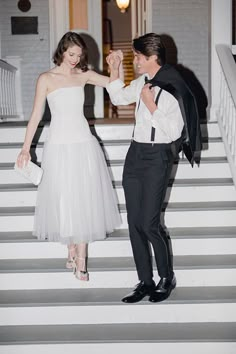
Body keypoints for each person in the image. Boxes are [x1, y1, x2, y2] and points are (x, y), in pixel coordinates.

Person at [16, 31, 121, 281]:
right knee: (64, 200)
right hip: (58, 145)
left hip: (83, 143)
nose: (75, 59)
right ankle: (70, 245)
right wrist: (25, 147)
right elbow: (36, 115)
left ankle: (81, 260)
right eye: (71, 54)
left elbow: (113, 86)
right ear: (62, 50)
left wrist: (115, 67)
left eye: (79, 55)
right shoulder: (46, 78)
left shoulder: (84, 75)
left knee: (83, 198)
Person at [106, 33, 201, 303]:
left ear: (152, 58)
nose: (134, 60)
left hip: (158, 156)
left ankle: (166, 277)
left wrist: (151, 106)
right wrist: (114, 71)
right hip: (135, 154)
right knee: (135, 223)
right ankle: (145, 281)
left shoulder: (174, 87)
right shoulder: (142, 81)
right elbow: (119, 99)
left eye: (137, 56)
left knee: (149, 224)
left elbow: (174, 132)